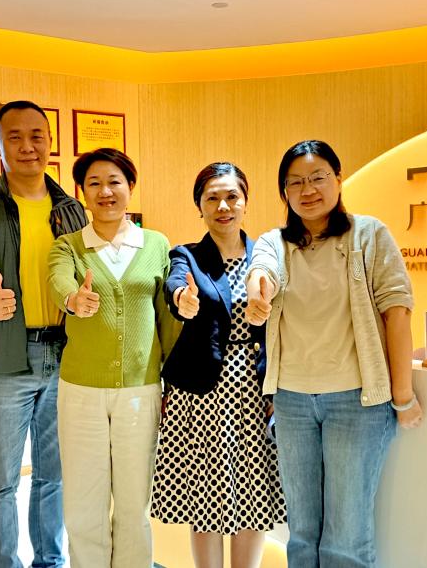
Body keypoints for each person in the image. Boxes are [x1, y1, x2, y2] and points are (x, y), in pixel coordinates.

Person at [245, 140, 423, 568]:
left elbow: (397, 312)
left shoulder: (369, 235)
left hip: (356, 404)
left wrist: (403, 396)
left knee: (346, 536)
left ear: (338, 180)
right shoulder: (275, 242)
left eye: (318, 177)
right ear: (284, 192)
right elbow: (262, 270)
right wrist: (257, 292)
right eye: (295, 183)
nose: (308, 190)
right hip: (292, 403)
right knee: (302, 533)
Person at [0, 101, 86, 568]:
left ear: (50, 142)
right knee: (0, 481)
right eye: (15, 137)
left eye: (37, 136)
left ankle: (51, 561)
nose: (28, 146)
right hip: (5, 359)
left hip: (66, 357)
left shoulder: (71, 210)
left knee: (54, 476)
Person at [150, 162, 286, 568]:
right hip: (202, 394)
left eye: (232, 197)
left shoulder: (268, 254)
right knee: (206, 498)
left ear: (245, 202)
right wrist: (182, 300)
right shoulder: (187, 255)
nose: (223, 206)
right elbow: (175, 284)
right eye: (212, 198)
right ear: (200, 206)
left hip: (256, 389)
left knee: (253, 495)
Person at [47, 148, 176, 568]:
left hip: (141, 390)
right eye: (94, 183)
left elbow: (166, 317)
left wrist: (170, 382)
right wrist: (73, 300)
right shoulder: (68, 246)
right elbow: (58, 281)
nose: (105, 191)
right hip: (81, 391)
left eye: (114, 182)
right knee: (83, 503)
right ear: (82, 193)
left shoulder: (156, 244)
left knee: (135, 502)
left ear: (130, 187)